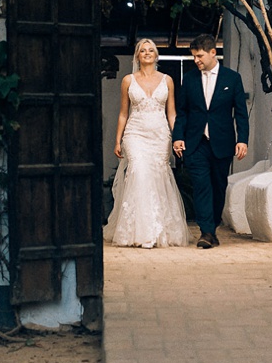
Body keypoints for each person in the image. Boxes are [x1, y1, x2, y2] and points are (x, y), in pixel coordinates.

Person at [102, 39, 190, 248]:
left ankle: (159, 229)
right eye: (143, 50)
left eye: (151, 50)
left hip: (160, 135)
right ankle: (139, 232)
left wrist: (177, 137)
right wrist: (118, 139)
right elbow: (124, 113)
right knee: (139, 173)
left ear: (156, 55)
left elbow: (172, 113)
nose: (147, 53)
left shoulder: (167, 80)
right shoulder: (128, 80)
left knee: (157, 177)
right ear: (137, 55)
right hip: (135, 134)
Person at [172, 34, 249, 249]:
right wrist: (178, 136)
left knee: (218, 186)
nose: (196, 60)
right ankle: (205, 232)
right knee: (200, 186)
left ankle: (212, 227)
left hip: (222, 142)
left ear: (212, 52)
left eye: (199, 56)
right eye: (194, 56)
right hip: (196, 143)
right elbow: (183, 112)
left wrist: (242, 139)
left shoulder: (232, 78)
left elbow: (241, 113)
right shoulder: (189, 79)